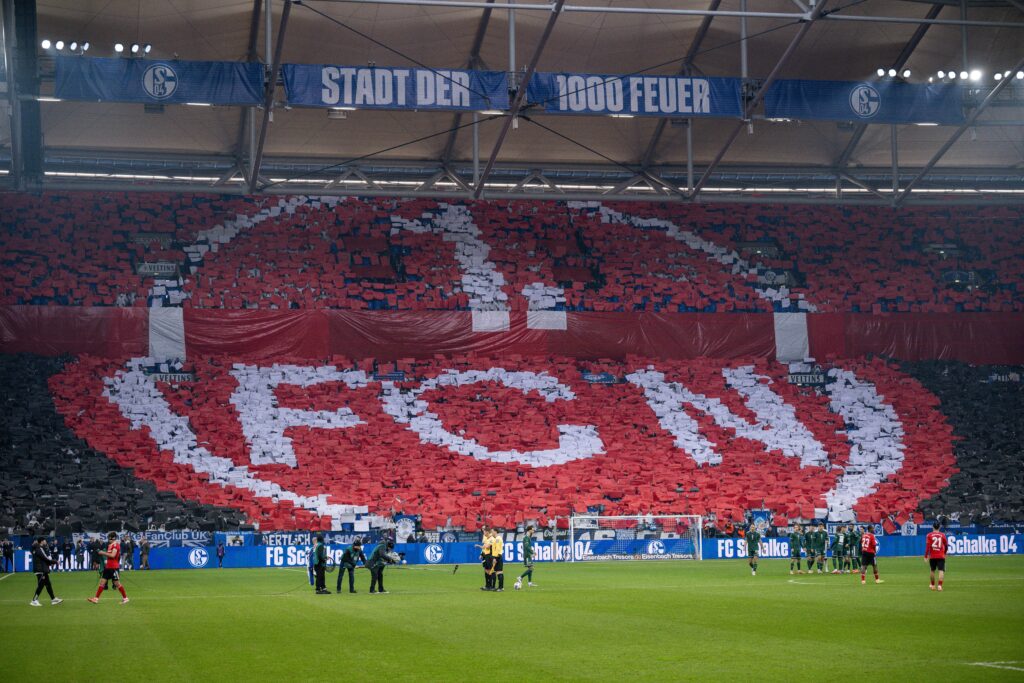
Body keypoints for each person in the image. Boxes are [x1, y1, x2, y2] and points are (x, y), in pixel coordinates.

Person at [88, 532, 129, 604]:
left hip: (113, 568)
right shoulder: (110, 545)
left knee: (117, 583)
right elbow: (109, 555)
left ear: (112, 538)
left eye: (109, 537)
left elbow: (113, 555)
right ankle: (96, 599)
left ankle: (125, 598)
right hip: (108, 567)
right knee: (102, 582)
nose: (108, 539)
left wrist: (102, 553)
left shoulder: (116, 545)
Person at [30, 538, 63, 606]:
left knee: (48, 584)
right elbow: (45, 558)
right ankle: (34, 600)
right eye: (45, 540)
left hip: (42, 569)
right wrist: (55, 561)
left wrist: (49, 563)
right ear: (42, 541)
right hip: (40, 570)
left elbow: (43, 559)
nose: (46, 542)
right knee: (41, 585)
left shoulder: (37, 548)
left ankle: (53, 599)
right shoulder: (39, 549)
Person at [925, 522, 948, 591]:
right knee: (941, 570)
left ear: (932, 527)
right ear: (939, 527)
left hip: (932, 556)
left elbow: (928, 547)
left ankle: (932, 585)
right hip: (941, 555)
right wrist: (945, 553)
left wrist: (925, 556)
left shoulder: (929, 535)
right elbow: (946, 546)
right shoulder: (942, 535)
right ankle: (940, 586)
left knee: (932, 570)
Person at [514, 525, 537, 589]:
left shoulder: (528, 537)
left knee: (531, 568)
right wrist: (533, 552)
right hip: (527, 555)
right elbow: (527, 547)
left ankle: (529, 583)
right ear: (529, 530)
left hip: (528, 555)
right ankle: (520, 577)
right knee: (531, 568)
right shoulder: (526, 537)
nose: (533, 530)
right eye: (532, 529)